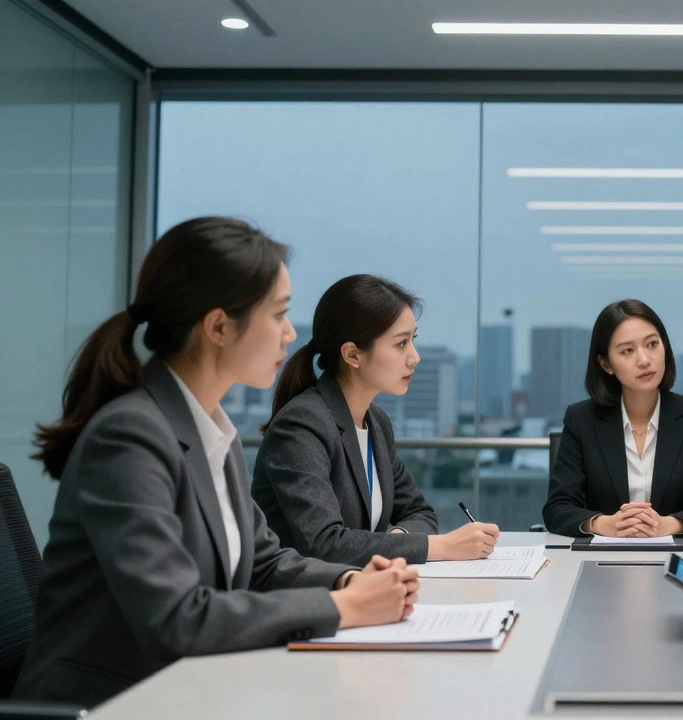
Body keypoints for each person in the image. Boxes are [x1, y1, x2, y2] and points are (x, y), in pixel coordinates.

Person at [16, 218, 418, 708]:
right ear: (219, 327)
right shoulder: (130, 436)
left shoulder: (210, 429)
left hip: (189, 691)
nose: (291, 333)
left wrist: (347, 579)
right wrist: (343, 606)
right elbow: (177, 619)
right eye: (278, 315)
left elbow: (263, 563)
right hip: (109, 703)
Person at [253, 275, 499, 566]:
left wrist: (396, 540)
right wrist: (443, 545)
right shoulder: (302, 425)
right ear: (353, 354)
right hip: (304, 600)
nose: (414, 357)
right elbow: (324, 544)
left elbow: (420, 513)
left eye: (413, 341)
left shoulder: (376, 422)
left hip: (365, 591)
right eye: (400, 344)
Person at [542, 299, 683, 537]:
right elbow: (557, 509)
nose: (644, 360)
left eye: (652, 344)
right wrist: (604, 524)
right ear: (606, 363)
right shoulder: (581, 419)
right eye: (627, 351)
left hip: (678, 557)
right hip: (602, 557)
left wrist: (667, 525)